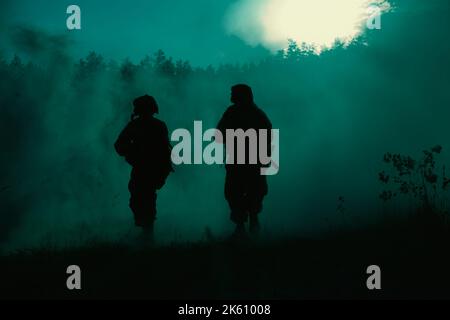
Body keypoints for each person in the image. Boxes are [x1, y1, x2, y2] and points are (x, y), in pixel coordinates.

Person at [216, 84, 272, 237]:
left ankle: (248, 224)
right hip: (243, 161)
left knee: (249, 193)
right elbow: (219, 133)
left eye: (233, 93)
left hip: (248, 161)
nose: (231, 96)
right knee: (236, 193)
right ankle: (244, 225)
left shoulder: (246, 113)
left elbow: (267, 136)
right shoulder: (252, 113)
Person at [114, 95, 173, 241]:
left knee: (144, 197)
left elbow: (165, 149)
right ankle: (147, 230)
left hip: (149, 168)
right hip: (144, 167)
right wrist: (132, 154)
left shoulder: (147, 125)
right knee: (139, 198)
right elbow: (120, 145)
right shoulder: (147, 125)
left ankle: (148, 231)